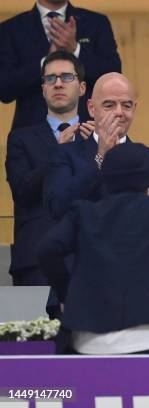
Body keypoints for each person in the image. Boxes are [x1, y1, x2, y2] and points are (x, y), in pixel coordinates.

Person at [38, 143, 149, 354]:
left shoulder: (83, 213)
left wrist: (66, 294)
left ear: (105, 179)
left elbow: (47, 249)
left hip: (89, 341)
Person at [5, 50, 94, 286]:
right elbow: (22, 192)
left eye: (66, 77)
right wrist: (58, 152)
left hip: (95, 255)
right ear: (43, 89)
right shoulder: (20, 139)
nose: (57, 84)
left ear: (82, 88)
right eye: (50, 79)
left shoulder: (100, 138)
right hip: (37, 258)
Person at [44, 72, 149, 219]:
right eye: (109, 105)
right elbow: (57, 207)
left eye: (126, 105)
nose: (119, 112)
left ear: (134, 108)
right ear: (91, 108)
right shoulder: (65, 154)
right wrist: (101, 156)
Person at [0, 0, 121, 130]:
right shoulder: (11, 28)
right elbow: (5, 90)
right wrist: (47, 61)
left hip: (86, 133)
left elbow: (112, 77)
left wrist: (75, 49)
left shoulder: (96, 22)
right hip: (31, 138)